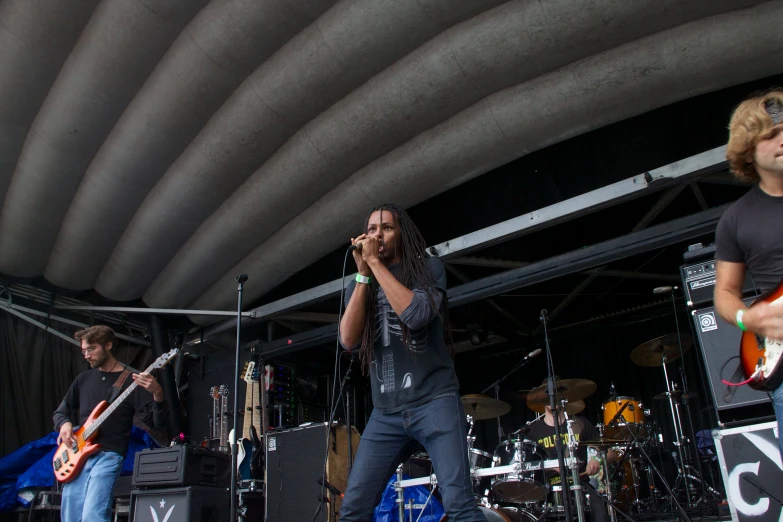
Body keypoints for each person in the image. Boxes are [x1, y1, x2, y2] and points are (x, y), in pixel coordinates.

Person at [338, 204, 486, 521]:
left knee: (460, 506)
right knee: (353, 509)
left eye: (387, 228)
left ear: (402, 233)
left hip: (435, 400)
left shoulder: (428, 269)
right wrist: (364, 275)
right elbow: (348, 340)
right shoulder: (360, 284)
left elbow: (416, 316)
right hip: (386, 412)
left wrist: (375, 263)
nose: (377, 234)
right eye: (372, 229)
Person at [714, 89, 783, 456]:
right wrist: (748, 318)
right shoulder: (736, 219)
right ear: (747, 151)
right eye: (771, 135)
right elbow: (724, 293)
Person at [53, 325, 169, 522]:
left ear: (108, 345)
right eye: (83, 351)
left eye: (91, 349)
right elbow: (61, 411)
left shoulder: (132, 380)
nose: (86, 356)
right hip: (77, 454)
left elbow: (155, 422)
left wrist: (157, 392)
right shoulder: (83, 379)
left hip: (108, 455)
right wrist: (64, 424)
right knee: (70, 515)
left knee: (93, 514)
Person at [526, 396, 616, 522]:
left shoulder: (580, 424)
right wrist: (550, 466)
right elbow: (527, 466)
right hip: (550, 491)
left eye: (555, 394)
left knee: (600, 511)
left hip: (581, 485)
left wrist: (597, 459)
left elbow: (611, 453)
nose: (553, 399)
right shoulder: (534, 431)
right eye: (548, 396)